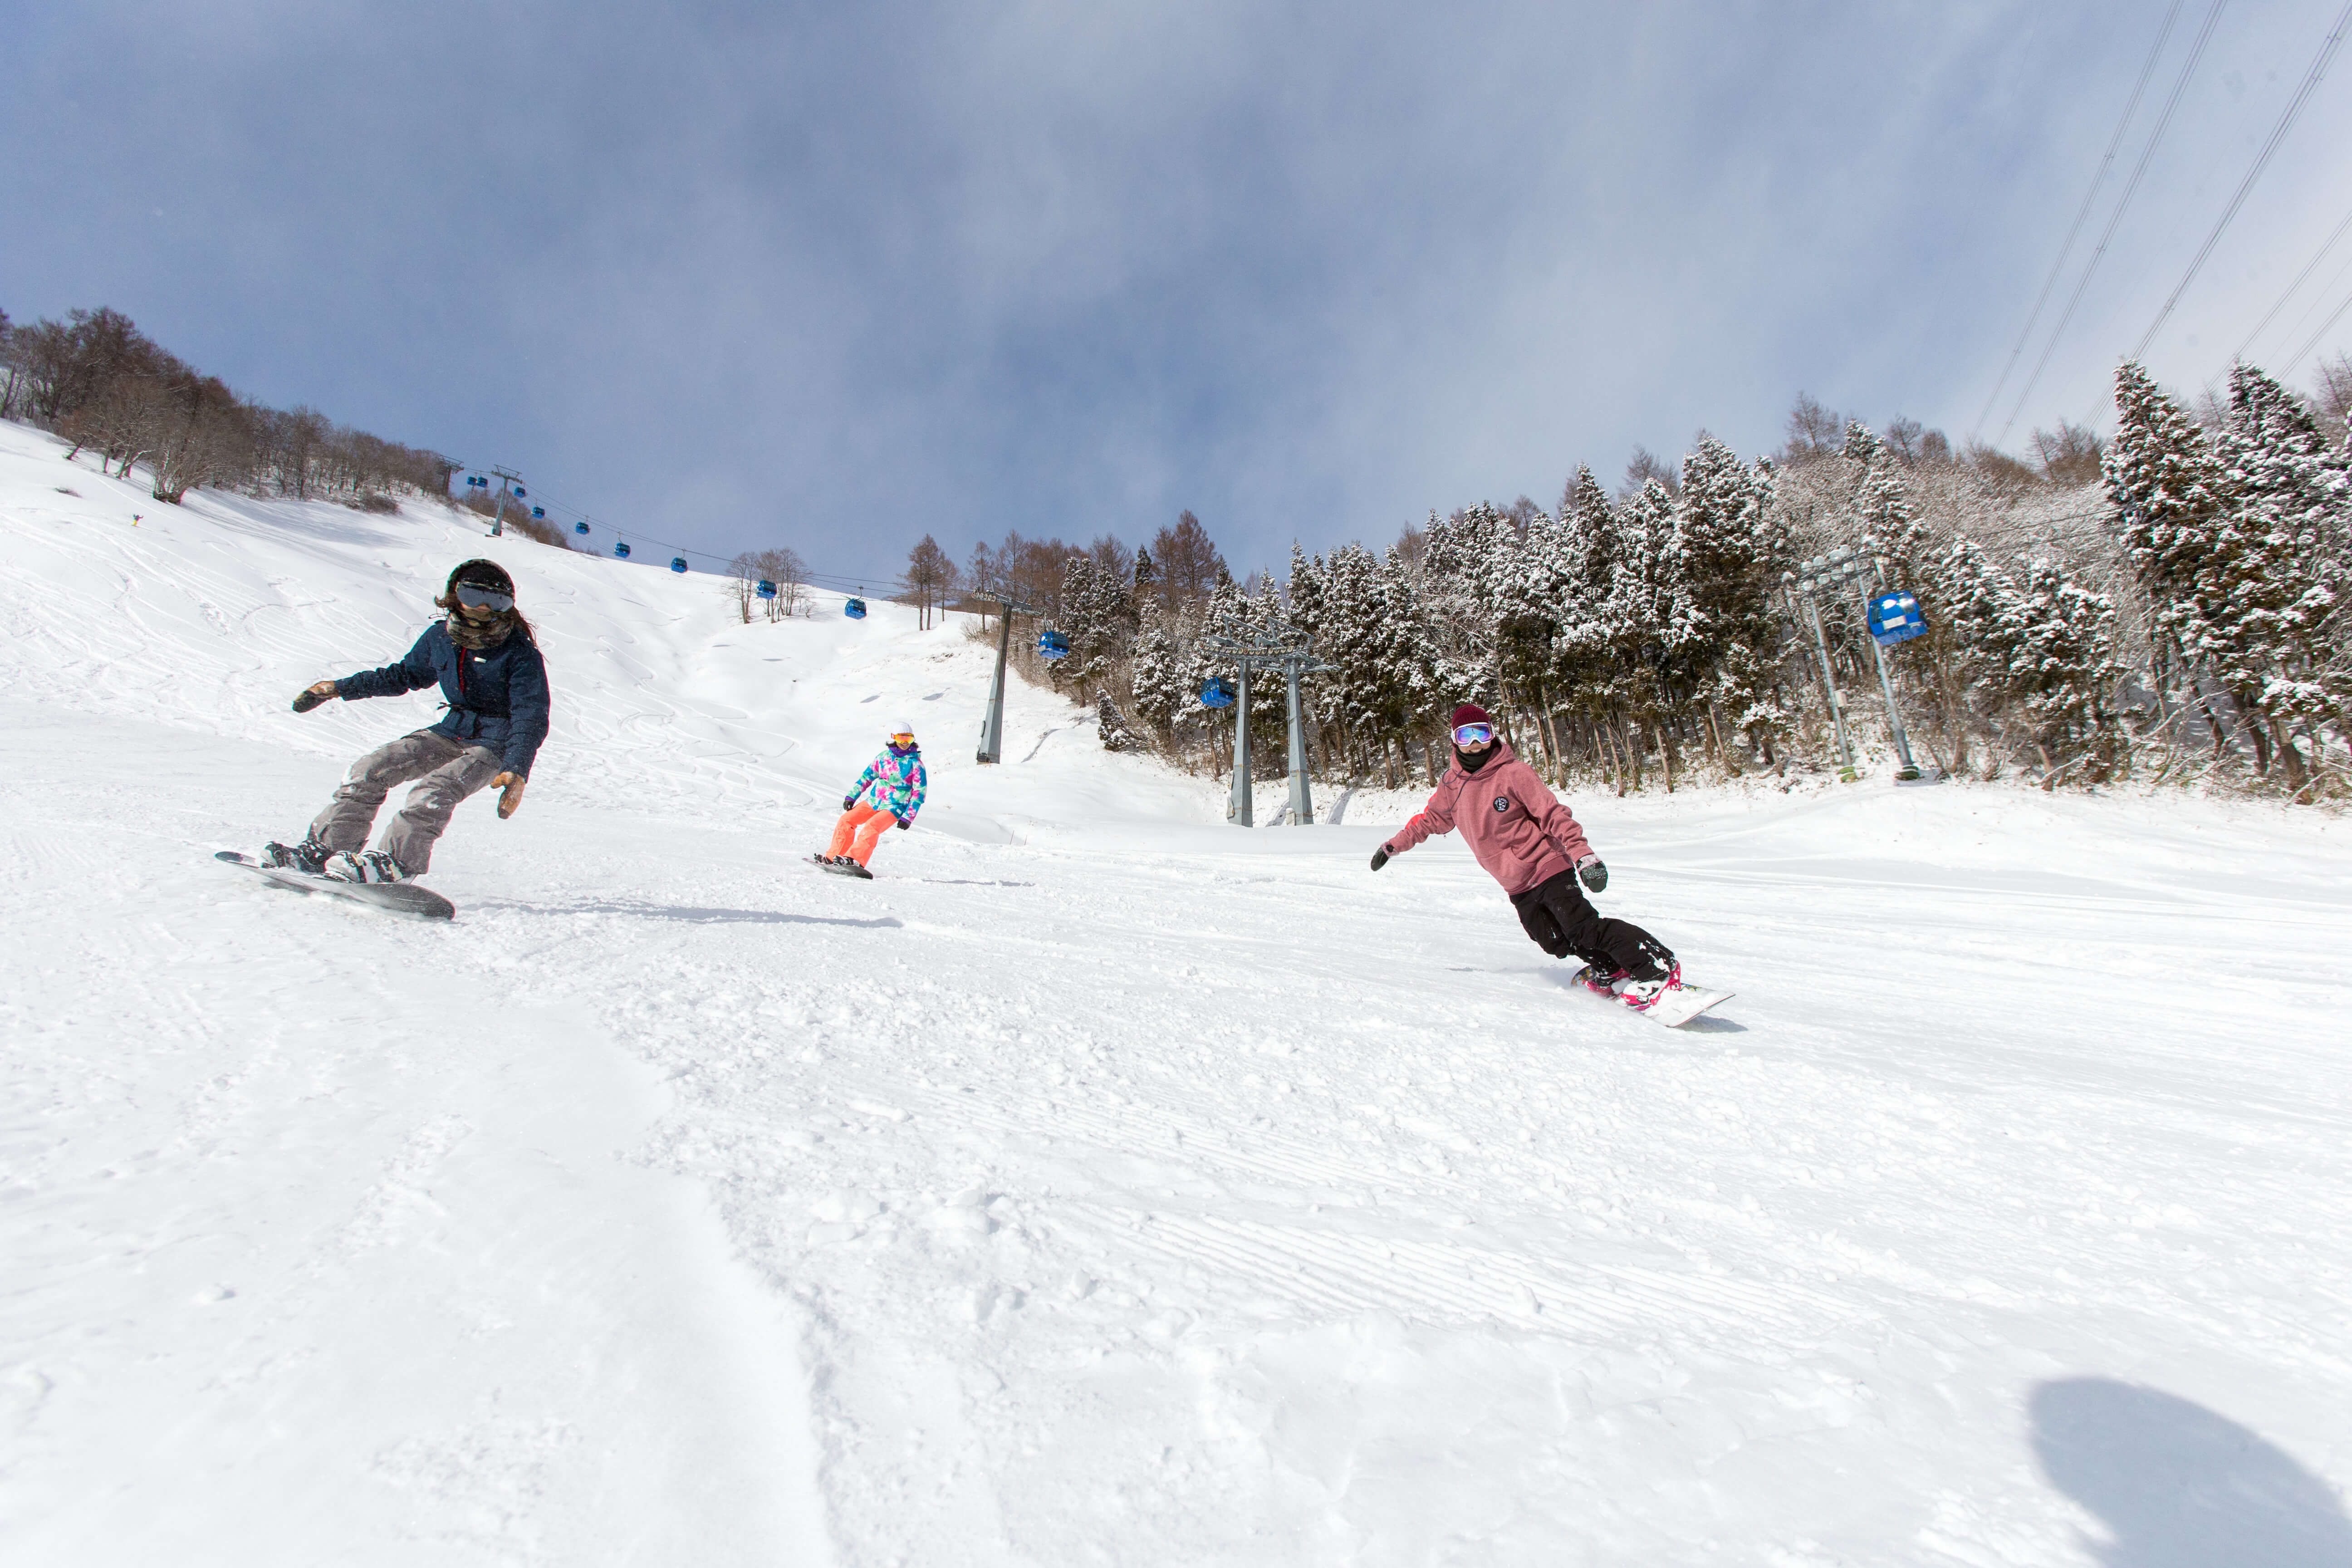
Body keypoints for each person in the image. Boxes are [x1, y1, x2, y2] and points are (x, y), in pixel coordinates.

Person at [1369, 702, 1686, 1010]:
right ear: (1455, 740)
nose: (1477, 743)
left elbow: (1553, 815)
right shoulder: (1451, 785)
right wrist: (1392, 846)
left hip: (1547, 864)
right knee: (1554, 941)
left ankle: (1656, 967)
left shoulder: (1514, 773)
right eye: (1467, 736)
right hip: (1515, 883)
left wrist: (1584, 856)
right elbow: (1429, 821)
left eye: (1482, 733)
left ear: (1493, 734)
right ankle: (1611, 968)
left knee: (1583, 928)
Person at [264, 559, 550, 883]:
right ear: (455, 595)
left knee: (433, 790)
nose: (484, 607)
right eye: (473, 595)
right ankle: (326, 851)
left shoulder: (519, 652)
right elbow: (404, 676)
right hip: (451, 732)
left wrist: (518, 768)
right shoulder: (440, 638)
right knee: (369, 770)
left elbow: (532, 714)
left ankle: (395, 865)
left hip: (497, 743)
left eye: (497, 601)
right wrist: (338, 688)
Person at [821, 723, 926, 878]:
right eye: (901, 738)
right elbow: (867, 777)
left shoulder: (916, 764)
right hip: (875, 801)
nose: (905, 742)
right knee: (846, 820)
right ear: (894, 738)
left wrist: (908, 817)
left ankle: (854, 860)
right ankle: (834, 857)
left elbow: (919, 793)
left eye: (908, 739)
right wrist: (852, 796)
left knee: (872, 826)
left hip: (895, 806)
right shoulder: (883, 757)